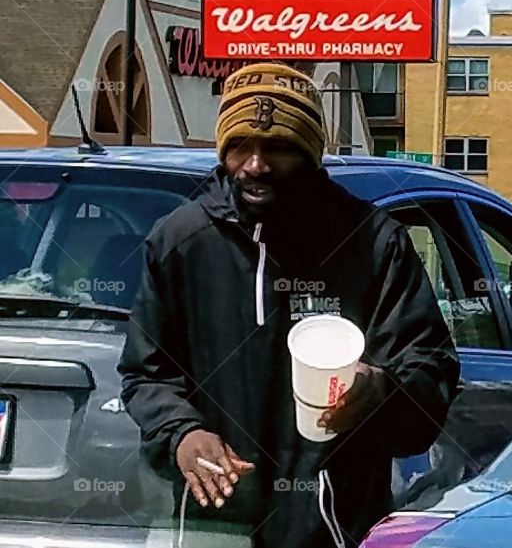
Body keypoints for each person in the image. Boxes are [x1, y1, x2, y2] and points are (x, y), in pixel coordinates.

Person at [119, 62, 460, 547]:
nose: (255, 165)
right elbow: (146, 373)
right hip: (209, 524)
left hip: (332, 523)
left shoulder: (372, 244)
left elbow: (431, 369)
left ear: (310, 153)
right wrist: (181, 434)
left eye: (277, 147)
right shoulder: (181, 242)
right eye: (240, 146)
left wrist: (381, 391)